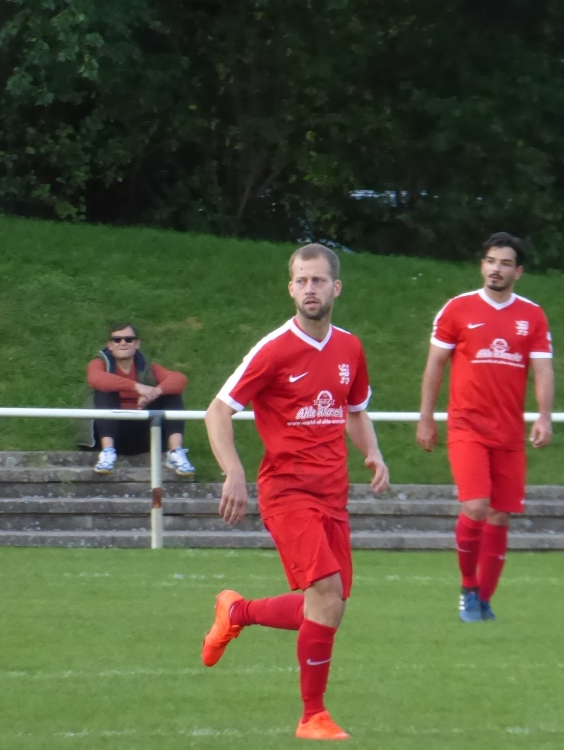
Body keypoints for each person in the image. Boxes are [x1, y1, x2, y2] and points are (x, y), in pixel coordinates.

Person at [200, 243, 389, 740]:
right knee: (324, 593)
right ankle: (312, 716)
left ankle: (237, 611)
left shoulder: (350, 348)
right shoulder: (274, 349)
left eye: (318, 280)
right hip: (287, 493)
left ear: (335, 287)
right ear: (290, 288)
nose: (310, 288)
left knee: (329, 606)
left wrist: (373, 452)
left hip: (333, 495)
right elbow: (217, 411)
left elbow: (355, 411)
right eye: (302, 281)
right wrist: (233, 471)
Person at [416, 232, 553, 623]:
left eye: (505, 263)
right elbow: (435, 365)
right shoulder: (457, 309)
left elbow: (543, 370)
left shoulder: (532, 316)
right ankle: (468, 587)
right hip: (467, 427)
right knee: (476, 506)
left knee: (500, 516)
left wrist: (544, 416)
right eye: (491, 261)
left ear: (518, 272)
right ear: (482, 266)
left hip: (508, 432)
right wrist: (426, 417)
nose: (497, 269)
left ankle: (484, 601)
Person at [81, 323, 195, 476]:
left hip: (142, 431)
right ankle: (107, 453)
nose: (123, 343)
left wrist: (155, 392)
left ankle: (175, 452)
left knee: (171, 393)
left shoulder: (147, 366)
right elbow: (96, 378)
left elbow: (179, 379)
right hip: (110, 431)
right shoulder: (99, 363)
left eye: (128, 339)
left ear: (137, 344)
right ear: (110, 345)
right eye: (117, 340)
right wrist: (136, 387)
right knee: (106, 392)